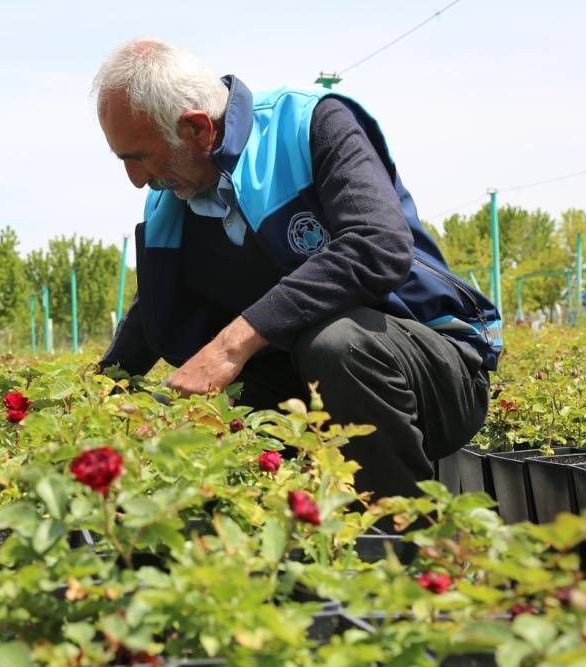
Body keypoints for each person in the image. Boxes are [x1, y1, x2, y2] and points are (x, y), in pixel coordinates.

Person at [92, 39, 502, 500]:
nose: (137, 180)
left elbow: (378, 246)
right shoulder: (176, 194)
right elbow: (157, 303)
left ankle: (399, 546)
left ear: (197, 129)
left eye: (139, 157)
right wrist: (91, 400)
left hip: (428, 373)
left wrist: (231, 345)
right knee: (181, 415)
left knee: (334, 344)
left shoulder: (310, 125)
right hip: (299, 388)